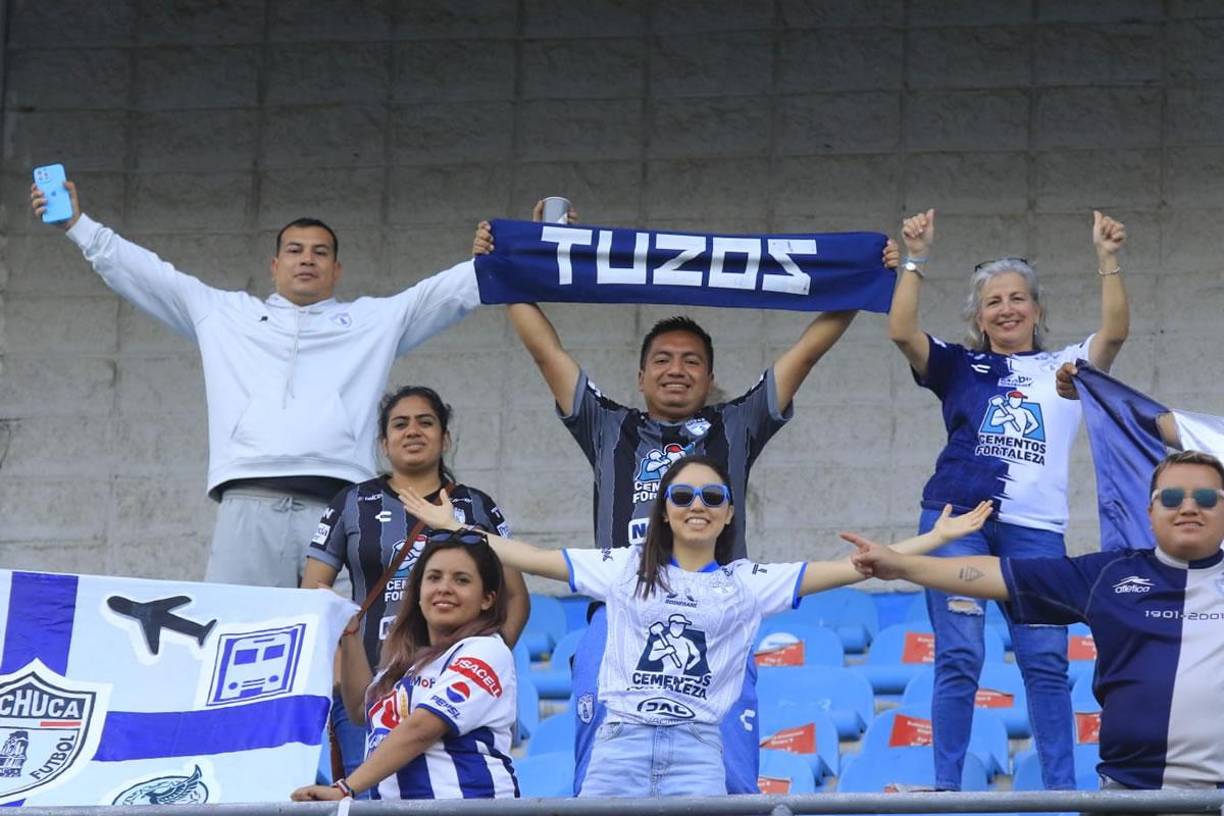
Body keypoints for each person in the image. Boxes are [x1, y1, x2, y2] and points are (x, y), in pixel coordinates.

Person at [472, 204, 901, 793]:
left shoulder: (738, 425)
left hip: (718, 618)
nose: (676, 370)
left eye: (691, 361)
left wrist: (860, 279)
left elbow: (806, 352)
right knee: (601, 782)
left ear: (709, 376)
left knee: (728, 781)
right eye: (663, 360)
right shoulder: (607, 426)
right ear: (641, 376)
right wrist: (504, 268)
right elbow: (547, 352)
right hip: (618, 618)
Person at [403, 454, 992, 797]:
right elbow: (530, 557)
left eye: (712, 496)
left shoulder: (748, 581)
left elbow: (856, 566)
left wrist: (935, 538)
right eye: (683, 495)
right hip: (620, 744)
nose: (697, 505)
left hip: (699, 750)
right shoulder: (623, 567)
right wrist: (455, 527)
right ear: (665, 510)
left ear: (729, 513)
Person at [30, 179, 482, 590]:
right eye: (295, 250)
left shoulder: (372, 321)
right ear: (275, 265)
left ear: (337, 270)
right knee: (241, 630)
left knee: (342, 639)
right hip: (249, 501)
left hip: (341, 507)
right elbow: (148, 275)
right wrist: (78, 225)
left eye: (320, 252)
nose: (307, 259)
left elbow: (446, 294)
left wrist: (496, 256)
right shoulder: (224, 314)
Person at [886, 208, 1130, 791]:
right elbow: (901, 332)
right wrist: (915, 259)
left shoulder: (1065, 367)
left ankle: (1063, 794)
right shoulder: (958, 364)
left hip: (1036, 532)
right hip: (956, 522)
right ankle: (946, 790)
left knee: (1046, 663)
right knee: (960, 656)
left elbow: (1115, 333)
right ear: (979, 317)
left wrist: (1108, 260)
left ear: (1037, 310)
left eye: (1018, 298)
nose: (1007, 308)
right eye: (993, 301)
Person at [849, 449, 1224, 792]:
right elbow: (992, 573)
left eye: (1206, 498)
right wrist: (902, 565)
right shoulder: (1108, 575)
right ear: (1150, 512)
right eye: (1172, 498)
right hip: (1129, 796)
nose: (1189, 507)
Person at [301, 385, 530, 779]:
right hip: (370, 688)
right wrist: (340, 674)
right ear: (383, 443)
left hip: (453, 684)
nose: (412, 431)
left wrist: (486, 658)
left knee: (450, 788)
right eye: (400, 424)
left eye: (425, 422)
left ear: (445, 438)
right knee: (364, 794)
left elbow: (516, 598)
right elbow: (312, 595)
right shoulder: (350, 503)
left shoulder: (477, 505)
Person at [291, 533, 519, 801]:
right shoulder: (408, 664)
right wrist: (350, 631)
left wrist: (344, 789)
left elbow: (422, 728)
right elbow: (359, 710)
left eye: (462, 580)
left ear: (487, 599)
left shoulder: (487, 650)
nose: (444, 588)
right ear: (419, 593)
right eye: (434, 578)